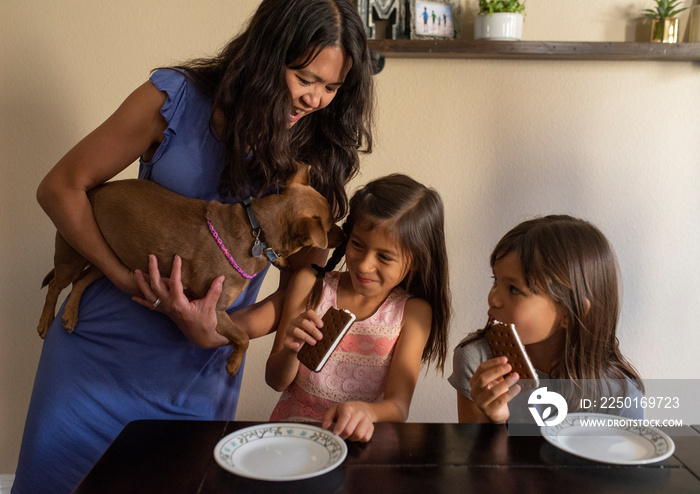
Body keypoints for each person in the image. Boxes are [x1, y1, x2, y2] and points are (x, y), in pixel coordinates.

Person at [13, 1, 374, 492]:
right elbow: (60, 189)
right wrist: (120, 277)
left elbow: (297, 288)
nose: (316, 99)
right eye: (305, 77)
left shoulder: (315, 156)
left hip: (195, 381)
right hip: (94, 364)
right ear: (268, 55)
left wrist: (225, 331)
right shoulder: (175, 97)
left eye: (332, 87)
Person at [264, 174, 452, 442]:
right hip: (293, 437)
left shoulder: (413, 313)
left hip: (357, 444)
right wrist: (291, 350)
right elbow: (275, 381)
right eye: (357, 244)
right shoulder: (309, 284)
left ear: (417, 261)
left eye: (385, 256)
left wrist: (366, 412)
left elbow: (398, 407)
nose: (364, 265)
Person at [448, 215, 644, 424]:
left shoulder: (620, 399)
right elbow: (474, 456)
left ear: (570, 313)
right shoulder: (478, 361)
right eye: (496, 280)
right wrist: (492, 420)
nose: (493, 298)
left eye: (514, 289)